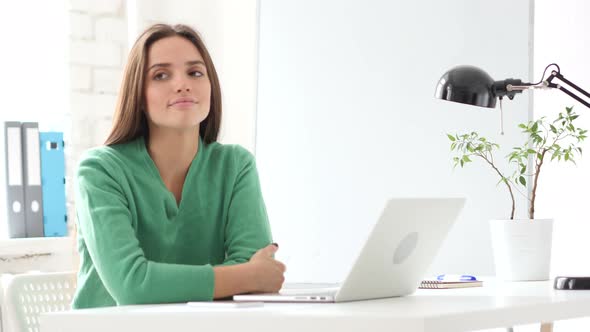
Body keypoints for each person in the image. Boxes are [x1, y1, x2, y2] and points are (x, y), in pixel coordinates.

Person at [72, 23, 285, 309]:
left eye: (195, 72)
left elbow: (251, 287)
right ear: (139, 94)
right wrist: (247, 276)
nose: (182, 84)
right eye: (160, 75)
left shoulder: (236, 166)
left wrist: (247, 277)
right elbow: (133, 286)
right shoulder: (99, 171)